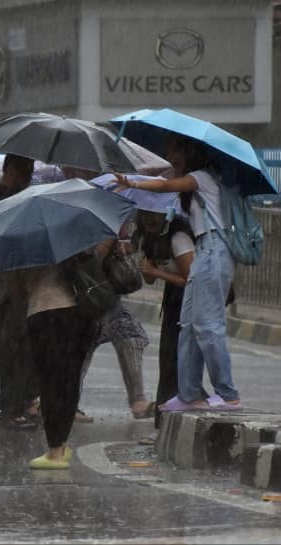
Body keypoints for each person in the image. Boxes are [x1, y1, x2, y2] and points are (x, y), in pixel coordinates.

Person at [114, 135, 242, 410]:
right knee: (187, 326)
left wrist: (132, 182)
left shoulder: (202, 178)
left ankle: (228, 393)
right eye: (169, 149)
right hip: (205, 250)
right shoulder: (189, 184)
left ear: (191, 153)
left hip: (215, 249)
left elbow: (167, 185)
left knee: (208, 326)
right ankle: (189, 392)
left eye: (176, 150)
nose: (170, 156)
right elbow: (167, 183)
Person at [13, 242, 108, 469]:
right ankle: (61, 444)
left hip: (44, 314)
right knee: (69, 380)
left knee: (50, 384)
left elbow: (17, 293)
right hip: (80, 313)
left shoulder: (22, 245)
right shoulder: (74, 236)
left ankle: (55, 451)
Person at [0, 154, 43, 430]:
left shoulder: (26, 198)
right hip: (6, 285)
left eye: (29, 170)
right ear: (9, 171)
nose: (26, 176)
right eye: (22, 170)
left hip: (23, 283)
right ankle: (10, 409)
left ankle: (22, 403)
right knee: (12, 350)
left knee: (26, 349)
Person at [74, 237, 154, 422]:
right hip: (83, 295)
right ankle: (68, 404)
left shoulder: (111, 221)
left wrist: (121, 248)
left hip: (105, 297)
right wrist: (104, 246)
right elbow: (87, 260)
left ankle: (138, 399)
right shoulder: (81, 227)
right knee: (82, 346)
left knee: (130, 335)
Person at [132, 210, 196, 427]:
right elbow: (149, 279)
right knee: (168, 359)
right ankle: (166, 416)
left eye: (155, 214)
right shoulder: (149, 238)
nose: (149, 218)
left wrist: (156, 272)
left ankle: (183, 407)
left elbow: (191, 279)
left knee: (178, 360)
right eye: (144, 213)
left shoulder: (178, 238)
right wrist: (144, 265)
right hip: (173, 301)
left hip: (192, 301)